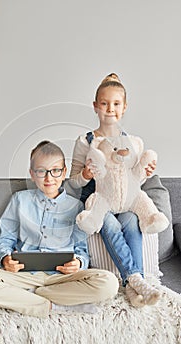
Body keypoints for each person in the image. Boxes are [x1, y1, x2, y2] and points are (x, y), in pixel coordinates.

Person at [0, 140, 119, 318]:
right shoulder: (19, 200)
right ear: (32, 174)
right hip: (23, 275)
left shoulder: (77, 207)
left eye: (55, 171)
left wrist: (78, 262)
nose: (48, 178)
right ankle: (52, 306)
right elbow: (4, 239)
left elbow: (81, 249)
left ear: (63, 173)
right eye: (41, 171)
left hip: (61, 278)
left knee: (109, 283)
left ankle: (29, 296)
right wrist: (5, 259)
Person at [69, 73, 160, 307]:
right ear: (95, 107)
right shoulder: (85, 140)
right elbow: (73, 182)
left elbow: (134, 177)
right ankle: (135, 281)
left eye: (116, 104)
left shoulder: (133, 143)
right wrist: (85, 175)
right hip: (98, 202)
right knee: (109, 224)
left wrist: (146, 170)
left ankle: (133, 284)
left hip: (126, 201)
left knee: (130, 221)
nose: (110, 109)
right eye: (104, 103)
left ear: (125, 107)